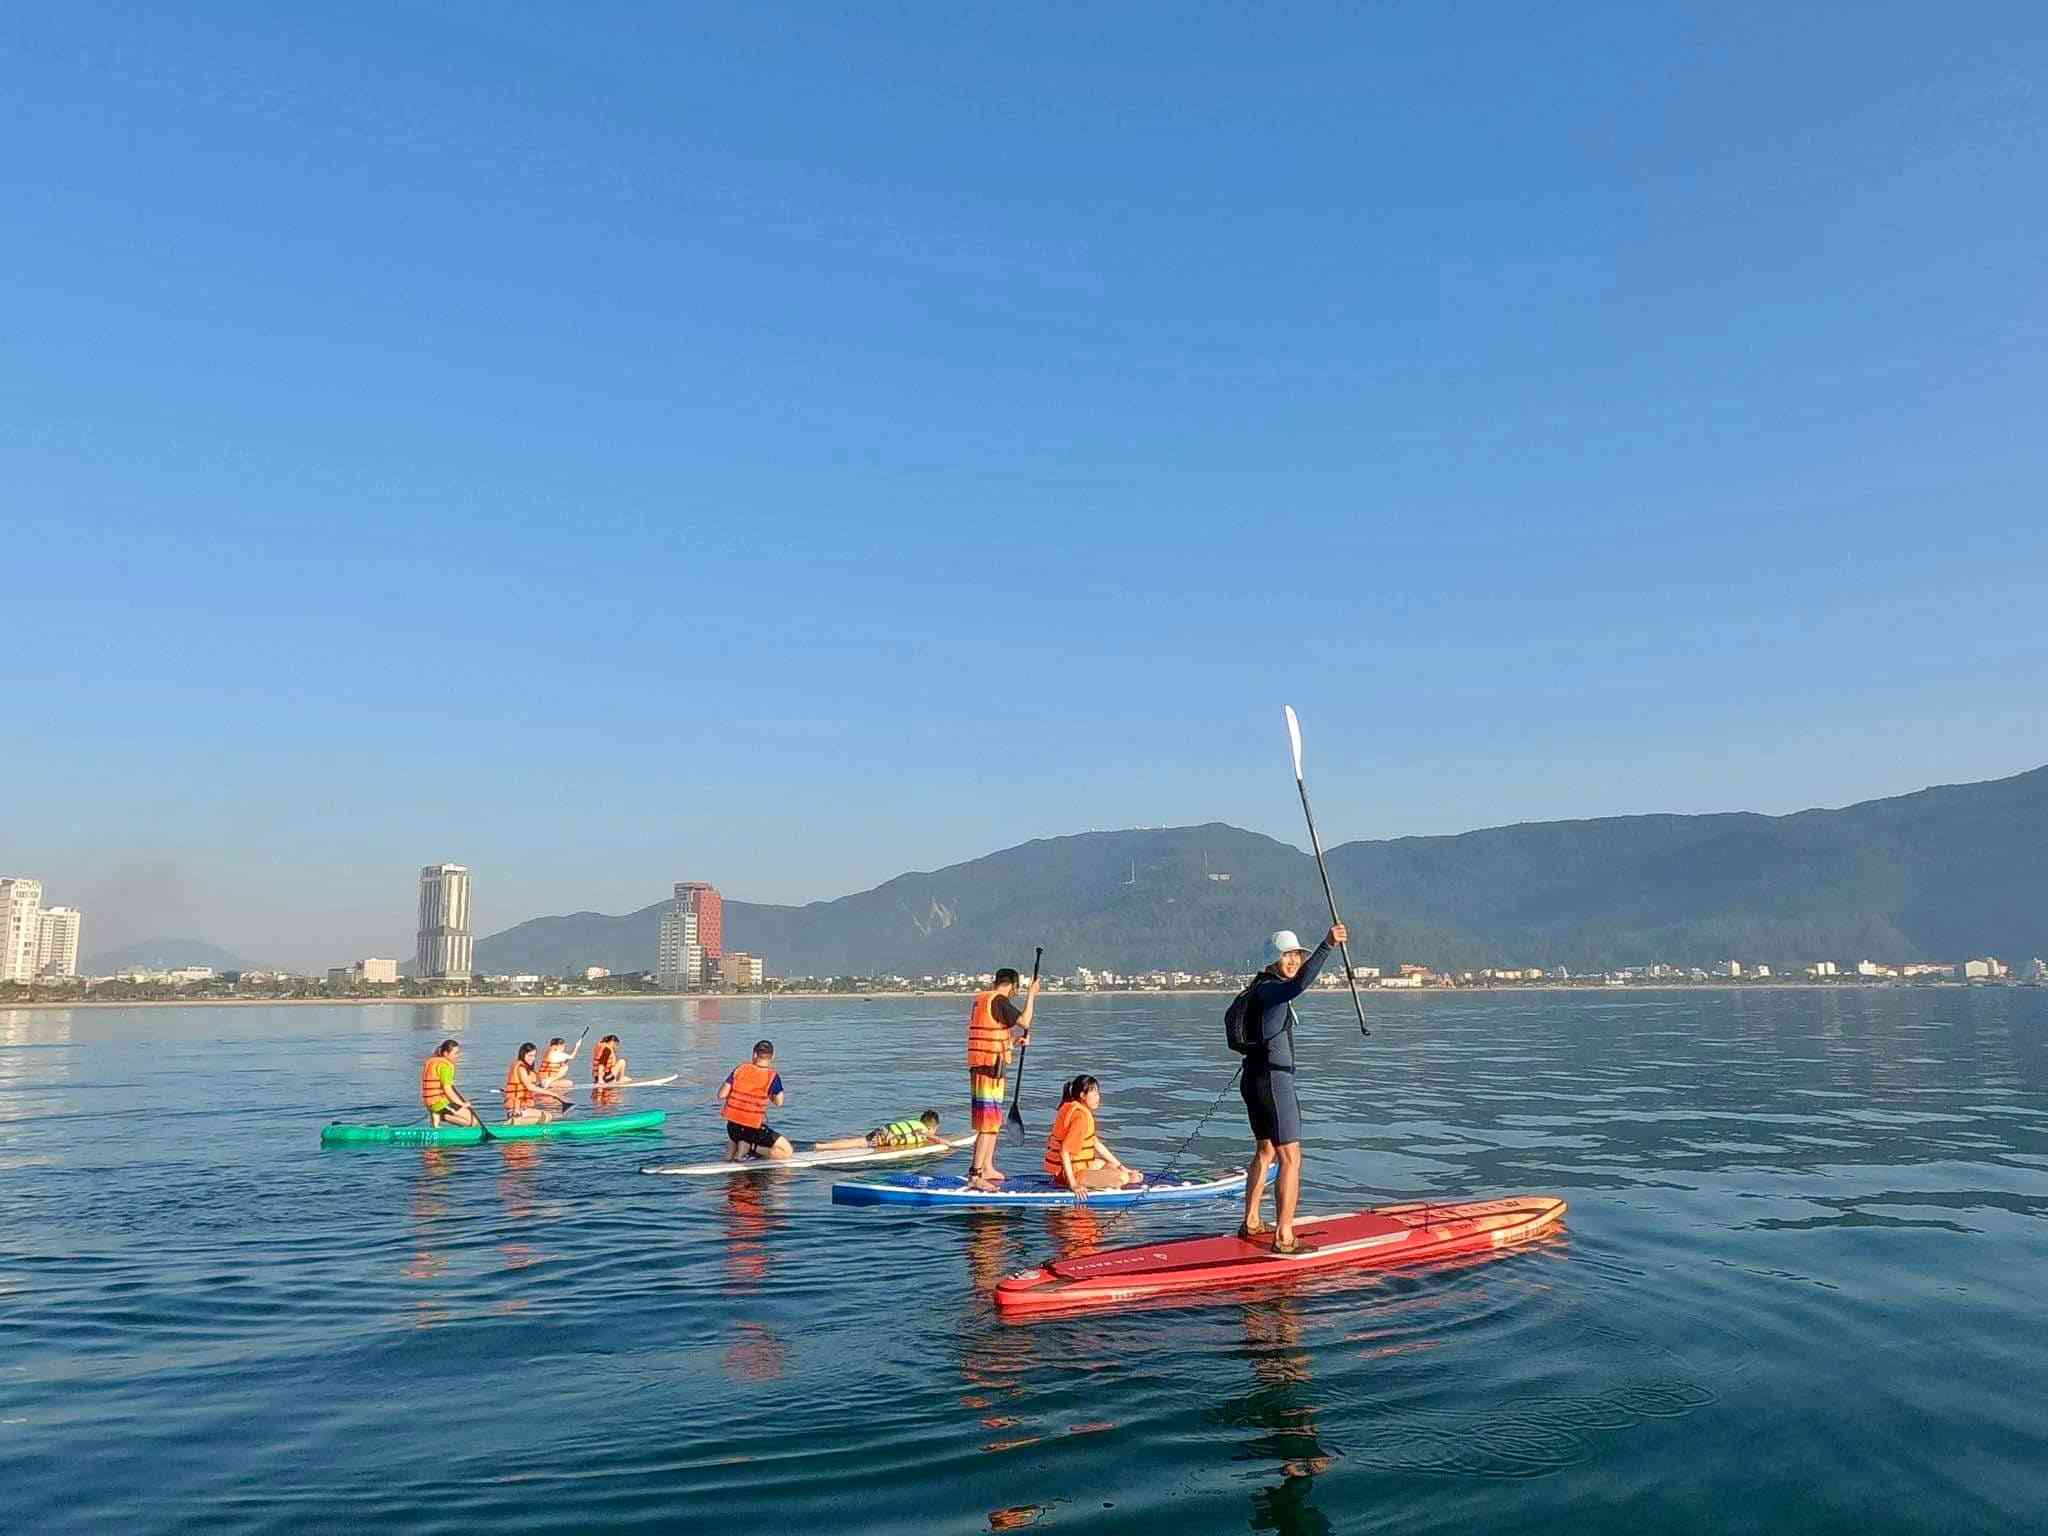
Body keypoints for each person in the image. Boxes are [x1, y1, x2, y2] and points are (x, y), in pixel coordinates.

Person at [1237, 924, 1345, 1254]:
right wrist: (1326, 946)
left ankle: (1252, 1221)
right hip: (1274, 1082)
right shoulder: (1271, 990)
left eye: (1297, 954)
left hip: (1254, 1079)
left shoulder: (1256, 989)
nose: (1294, 960)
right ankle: (1284, 1236)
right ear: (1273, 959)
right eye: (1288, 954)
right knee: (1291, 1157)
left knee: (1266, 1151)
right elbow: (1299, 985)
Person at [966, 965, 1037, 1187]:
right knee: (987, 1123)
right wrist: (1032, 995)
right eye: (1018, 988)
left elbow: (994, 1034)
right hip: (988, 1069)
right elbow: (1025, 1022)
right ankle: (975, 1175)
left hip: (989, 1066)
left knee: (993, 1121)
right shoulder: (998, 1000)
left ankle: (987, 1166)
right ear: (1013, 985)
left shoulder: (985, 1000)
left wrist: (1013, 1042)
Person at [1044, 1075, 1142, 1195]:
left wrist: (1123, 1167)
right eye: (1094, 1094)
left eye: (1098, 1094)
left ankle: (1105, 1181)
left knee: (1112, 1166)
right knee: (1123, 1178)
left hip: (1077, 1168)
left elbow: (1095, 1143)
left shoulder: (1075, 1109)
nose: (1098, 1097)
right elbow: (1064, 1151)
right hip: (1071, 1174)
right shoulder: (1081, 1118)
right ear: (1083, 1096)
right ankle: (1094, 1185)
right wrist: (1073, 1184)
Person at [718, 1039, 794, 1161]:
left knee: (733, 1147)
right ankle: (750, 1148)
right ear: (773, 1056)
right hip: (751, 1128)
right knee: (787, 1151)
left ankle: (735, 1155)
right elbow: (779, 1102)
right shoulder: (772, 1076)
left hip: (732, 1127)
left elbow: (721, 1094)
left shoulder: (740, 1069)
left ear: (754, 1054)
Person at [811, 1110, 944, 1153]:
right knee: (859, 1143)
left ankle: (822, 1146)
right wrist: (949, 1145)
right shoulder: (923, 1131)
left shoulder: (916, 1124)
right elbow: (936, 1139)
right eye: (936, 1130)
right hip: (884, 1137)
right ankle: (823, 1146)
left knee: (858, 1141)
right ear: (932, 1127)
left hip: (884, 1130)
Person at [502, 1042, 567, 1125]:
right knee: (546, 1116)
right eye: (529, 1055)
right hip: (516, 1107)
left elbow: (535, 1083)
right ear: (522, 1055)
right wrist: (554, 1094)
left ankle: (517, 1120)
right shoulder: (521, 1068)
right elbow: (529, 1087)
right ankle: (515, 1120)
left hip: (522, 1107)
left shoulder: (527, 1069)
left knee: (547, 1116)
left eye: (534, 1056)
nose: (532, 1058)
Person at [418, 1039, 478, 1127]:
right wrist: (462, 1104)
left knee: (436, 1126)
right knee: (473, 1122)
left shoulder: (432, 1061)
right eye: (455, 1053)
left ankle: (436, 1122)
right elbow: (448, 1090)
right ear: (446, 1053)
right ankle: (442, 1116)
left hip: (429, 1102)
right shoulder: (445, 1066)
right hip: (440, 1102)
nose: (458, 1056)